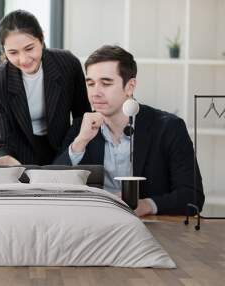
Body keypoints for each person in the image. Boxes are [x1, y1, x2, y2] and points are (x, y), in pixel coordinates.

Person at [54, 45, 205, 216]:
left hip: (148, 230)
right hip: (93, 225)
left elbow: (193, 196)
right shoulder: (81, 127)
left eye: (106, 83)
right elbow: (51, 187)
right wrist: (80, 143)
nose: (95, 93)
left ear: (130, 86)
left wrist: (147, 205)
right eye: (91, 84)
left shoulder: (169, 128)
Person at [0, 10, 90, 166]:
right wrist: (4, 156)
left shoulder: (67, 64)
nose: (24, 59)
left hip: (64, 148)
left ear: (41, 39)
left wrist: (75, 149)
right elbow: (1, 134)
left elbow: (81, 116)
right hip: (20, 155)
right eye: (13, 53)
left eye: (29, 48)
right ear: (4, 52)